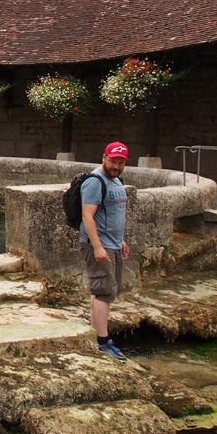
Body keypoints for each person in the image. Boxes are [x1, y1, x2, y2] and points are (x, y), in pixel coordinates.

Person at [80, 141, 130, 362]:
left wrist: (121, 240)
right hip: (99, 246)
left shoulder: (116, 180)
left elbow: (114, 213)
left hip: (112, 244)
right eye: (113, 161)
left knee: (103, 290)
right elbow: (87, 216)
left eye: (121, 162)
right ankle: (103, 342)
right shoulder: (95, 181)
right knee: (105, 291)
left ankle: (96, 335)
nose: (116, 166)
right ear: (104, 157)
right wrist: (98, 246)